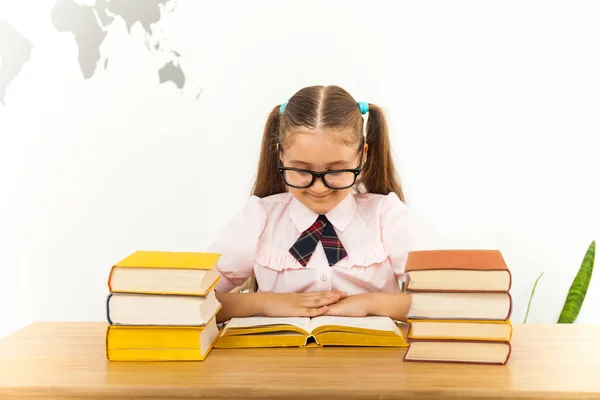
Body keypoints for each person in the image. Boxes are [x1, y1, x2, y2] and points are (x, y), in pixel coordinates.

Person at [209, 85, 437, 324]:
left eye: (336, 170)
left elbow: (445, 299)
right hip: (278, 359)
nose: (319, 188)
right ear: (281, 157)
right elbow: (194, 299)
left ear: (362, 156)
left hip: (373, 359)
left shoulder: (386, 215)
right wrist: (265, 302)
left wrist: (371, 303)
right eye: (301, 170)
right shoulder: (260, 217)